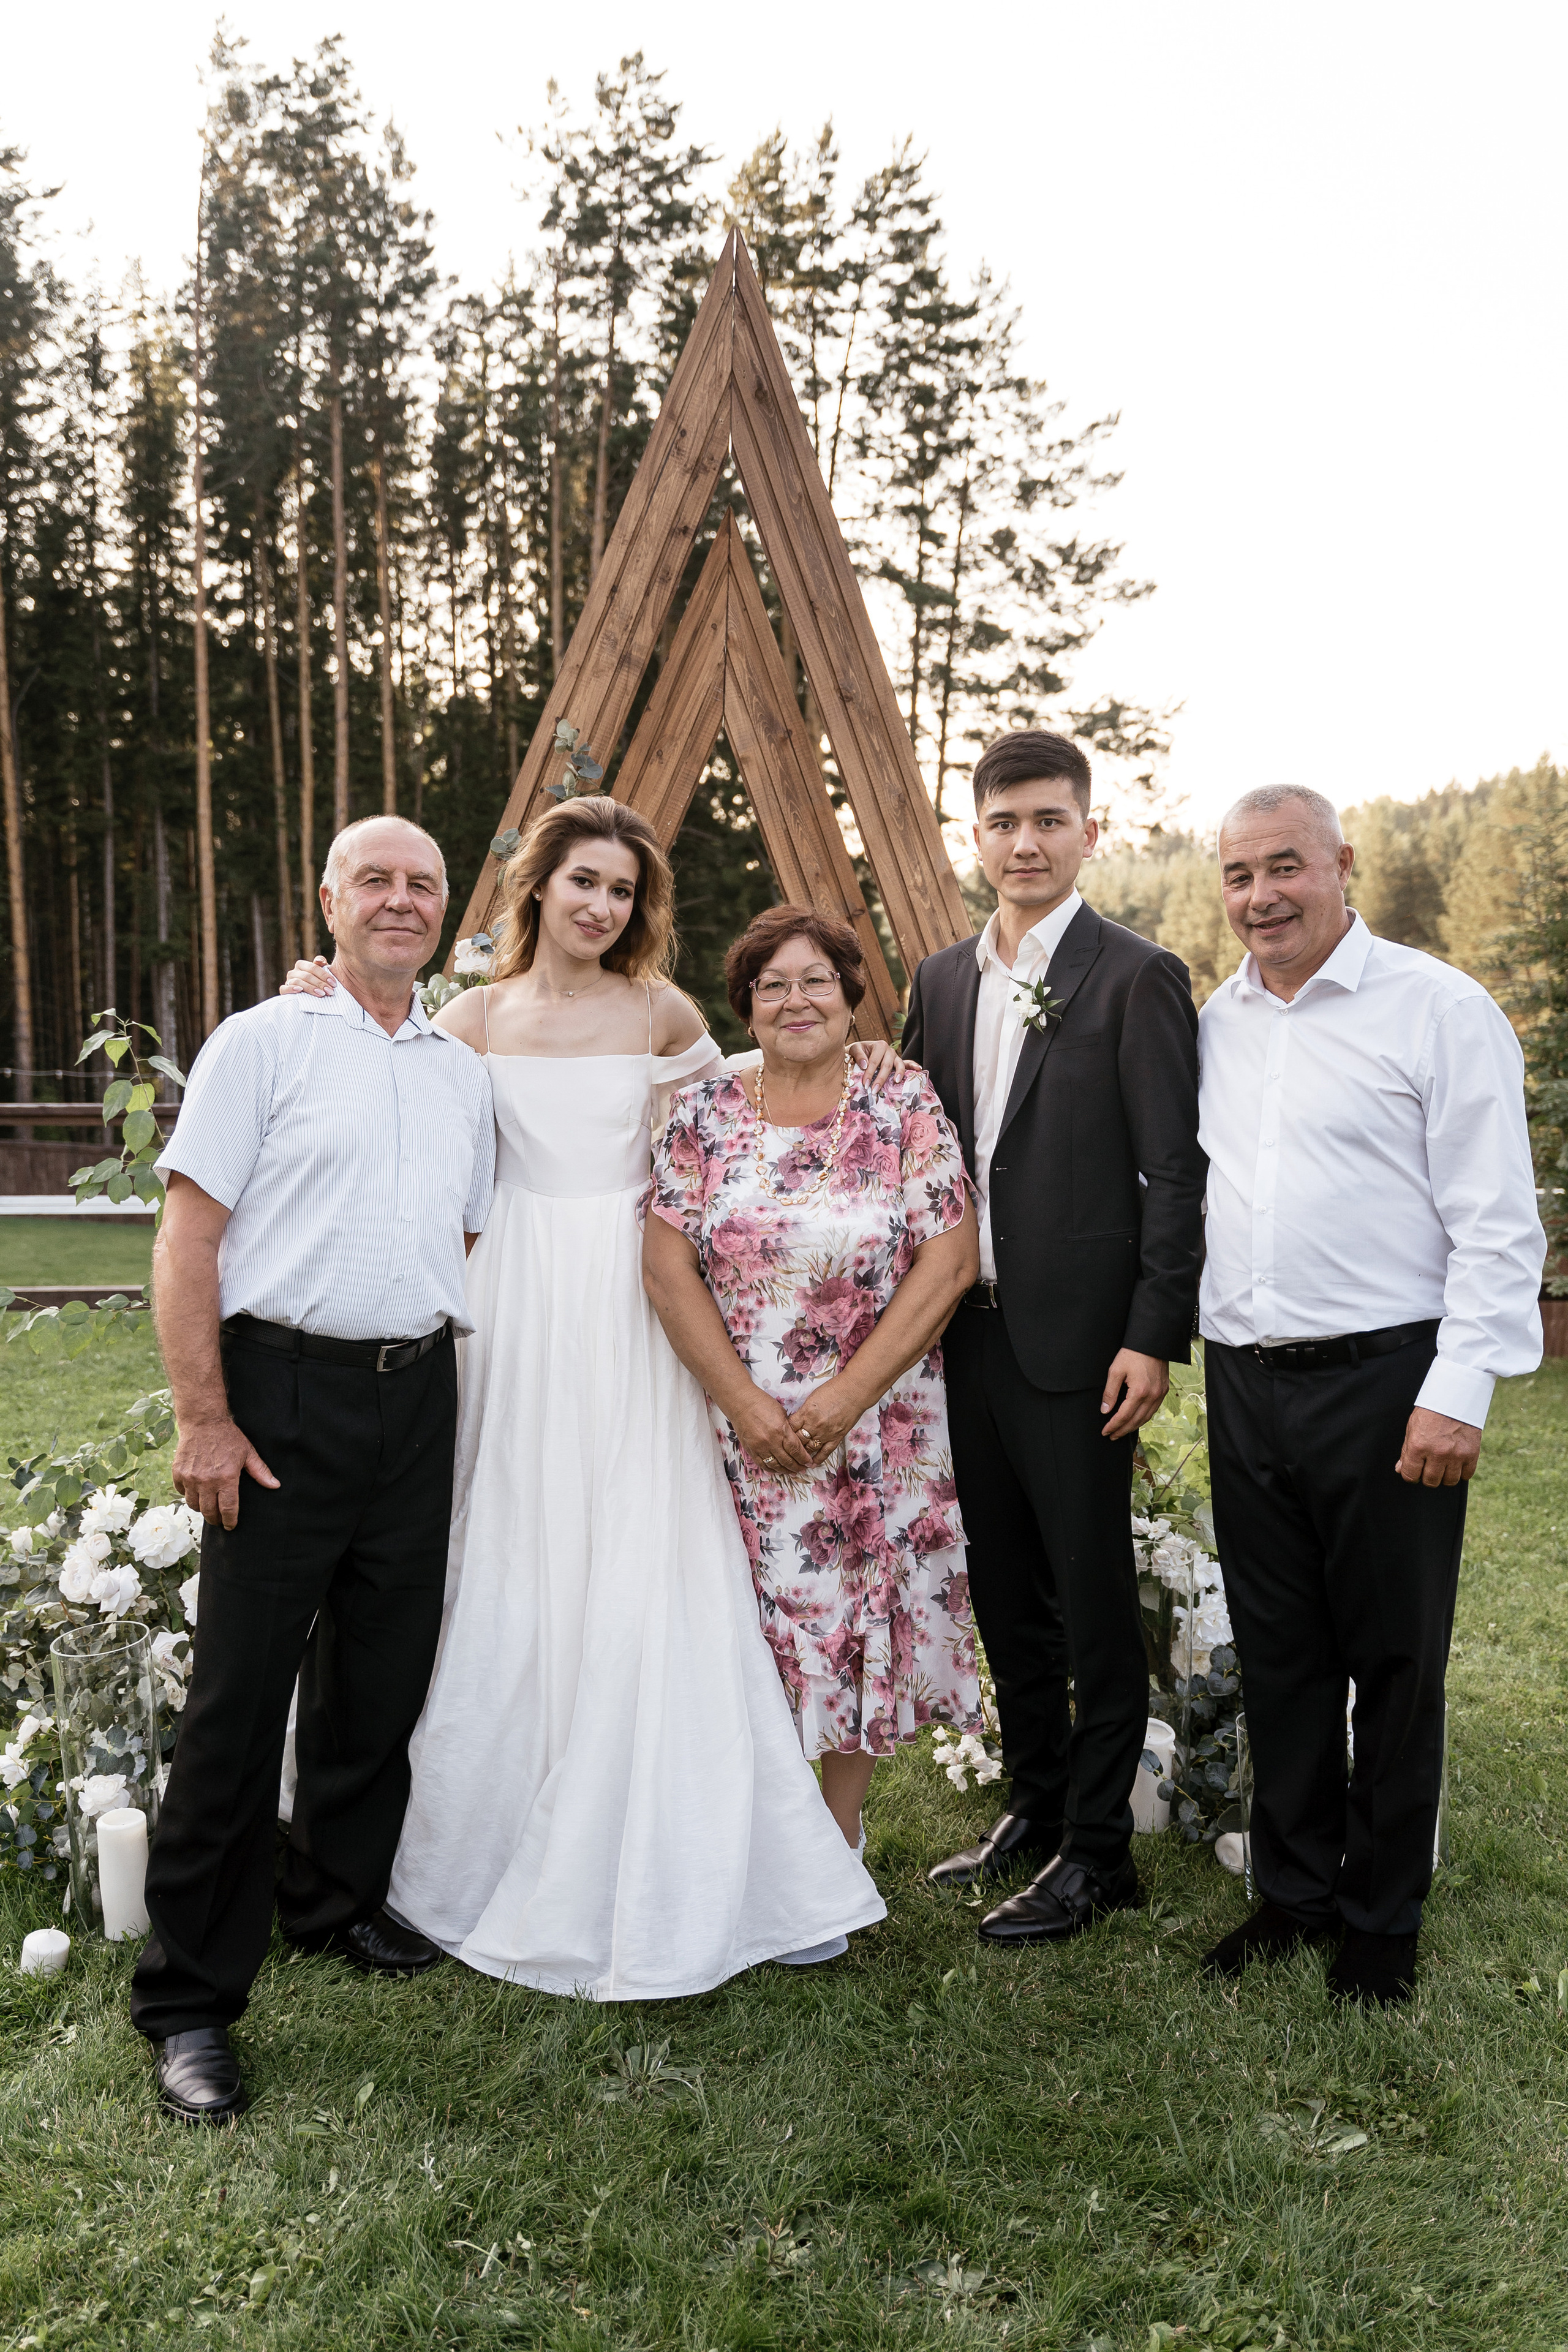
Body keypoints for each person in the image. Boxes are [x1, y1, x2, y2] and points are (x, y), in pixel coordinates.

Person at [282, 798, 885, 1996]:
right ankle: (464, 1835)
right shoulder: (470, 1016)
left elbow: (734, 1112)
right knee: (499, 1545)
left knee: (637, 1552)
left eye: (621, 890)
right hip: (502, 1306)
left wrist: (834, 1055)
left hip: (626, 1307)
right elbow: (386, 1081)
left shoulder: (657, 1011)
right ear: (539, 890)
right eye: (584, 884)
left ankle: (686, 1831)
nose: (601, 907)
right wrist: (321, 996)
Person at [130, 815, 497, 2124]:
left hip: (416, 1391)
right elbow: (190, 1241)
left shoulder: (459, 1070)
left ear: (444, 912)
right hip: (279, 1395)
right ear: (330, 899)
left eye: (424, 887)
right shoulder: (262, 1043)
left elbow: (458, 1228)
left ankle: (333, 1908)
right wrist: (206, 1417)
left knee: (377, 1682)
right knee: (238, 1707)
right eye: (377, 883)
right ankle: (186, 2003)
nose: (402, 903)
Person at [1195, 785, 1545, 2006]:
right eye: (1237, 876)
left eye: (1282, 866)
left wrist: (1457, 1392)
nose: (1259, 896)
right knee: (1279, 1655)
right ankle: (1290, 1896)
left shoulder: (1437, 1011)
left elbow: (1497, 1224)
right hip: (1242, 1382)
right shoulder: (1216, 1023)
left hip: (1384, 1381)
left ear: (1342, 863)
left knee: (1391, 1661)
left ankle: (1380, 1921)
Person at [900, 729, 1206, 1942]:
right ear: (973, 840)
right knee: (1001, 1587)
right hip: (962, 1340)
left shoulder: (1137, 975)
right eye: (1000, 824)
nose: (1023, 843)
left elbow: (1174, 1175)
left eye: (1045, 821)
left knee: (1087, 1594)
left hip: (1082, 1345)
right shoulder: (938, 980)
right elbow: (917, 1151)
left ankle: (1098, 1854)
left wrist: (1152, 1334)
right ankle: (1031, 1806)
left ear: (1086, 831)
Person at [642, 905, 983, 1851]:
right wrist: (746, 1403)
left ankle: (833, 1839)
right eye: (772, 985)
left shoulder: (903, 1103)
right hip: (729, 1414)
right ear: (745, 1008)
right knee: (743, 1613)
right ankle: (744, 1819)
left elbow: (949, 1263)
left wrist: (845, 1396)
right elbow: (666, 1266)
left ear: (850, 997)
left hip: (878, 1421)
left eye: (816, 981)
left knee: (857, 1616)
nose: (796, 1000)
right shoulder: (705, 1116)